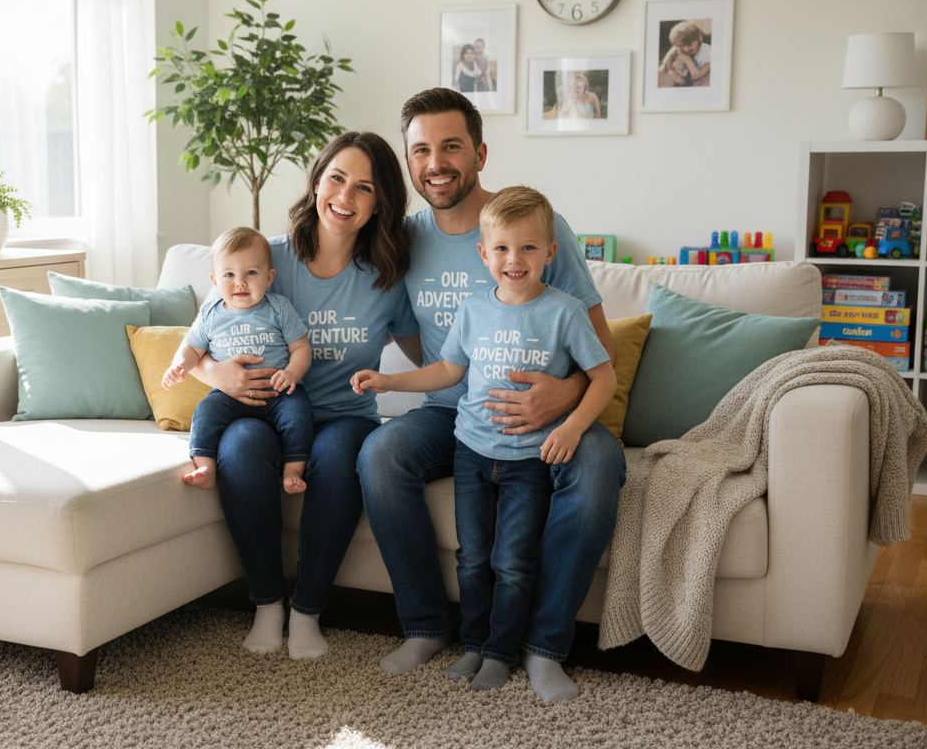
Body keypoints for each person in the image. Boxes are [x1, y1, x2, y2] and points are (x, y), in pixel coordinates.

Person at [356, 88, 625, 703]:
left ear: (479, 151)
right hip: (455, 417)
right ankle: (426, 625)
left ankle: (542, 645)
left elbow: (599, 352)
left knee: (601, 464)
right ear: (408, 161)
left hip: (547, 415)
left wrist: (561, 398)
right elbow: (424, 351)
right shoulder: (403, 239)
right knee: (379, 454)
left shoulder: (534, 227)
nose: (436, 162)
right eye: (420, 150)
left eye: (451, 146)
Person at [191, 131, 416, 661]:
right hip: (260, 409)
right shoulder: (261, 257)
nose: (346, 196)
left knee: (338, 459)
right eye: (336, 178)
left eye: (365, 187)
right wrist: (215, 375)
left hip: (344, 414)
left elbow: (431, 354)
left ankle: (308, 610)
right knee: (241, 449)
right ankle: (267, 604)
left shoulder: (386, 275)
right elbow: (200, 340)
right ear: (316, 182)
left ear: (380, 201)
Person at [163, 226, 313, 495]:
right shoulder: (210, 313)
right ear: (214, 280)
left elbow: (301, 347)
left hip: (278, 392)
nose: (240, 282)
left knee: (299, 415)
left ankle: (293, 470)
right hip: (228, 395)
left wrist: (292, 373)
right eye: (229, 275)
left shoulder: (278, 307)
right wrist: (179, 365)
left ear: (269, 277)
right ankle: (205, 467)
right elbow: (191, 348)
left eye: (250, 273)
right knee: (205, 413)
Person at [662, 21, 711, 87]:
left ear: (698, 38)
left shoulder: (708, 51)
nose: (686, 49)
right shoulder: (682, 54)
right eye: (682, 47)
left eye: (689, 44)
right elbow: (695, 75)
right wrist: (708, 67)